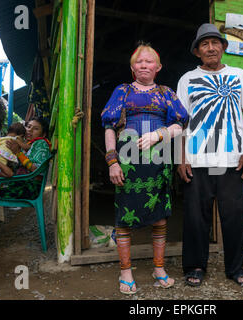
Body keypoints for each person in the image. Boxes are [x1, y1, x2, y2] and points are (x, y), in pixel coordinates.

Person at [100, 42, 188, 294]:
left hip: (159, 164)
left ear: (158, 67)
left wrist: (159, 134)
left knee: (159, 216)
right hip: (127, 165)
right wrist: (112, 161)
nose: (144, 65)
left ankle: (158, 268)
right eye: (139, 61)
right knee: (125, 218)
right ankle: (125, 271)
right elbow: (109, 126)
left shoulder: (166, 93)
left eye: (149, 61)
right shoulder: (123, 91)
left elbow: (180, 125)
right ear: (132, 67)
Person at [176, 23, 243, 287]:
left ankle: (235, 268)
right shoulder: (187, 79)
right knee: (196, 218)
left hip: (232, 160)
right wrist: (181, 157)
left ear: (223, 47)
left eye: (215, 43)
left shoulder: (239, 75)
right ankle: (195, 267)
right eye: (204, 44)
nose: (210, 48)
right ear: (197, 51)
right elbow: (181, 121)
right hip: (197, 159)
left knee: (234, 217)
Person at [1, 117, 52, 199]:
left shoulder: (41, 143)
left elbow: (35, 169)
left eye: (36, 129)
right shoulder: (26, 145)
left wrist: (18, 153)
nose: (30, 130)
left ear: (43, 134)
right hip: (21, 183)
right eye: (28, 126)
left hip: (30, 187)